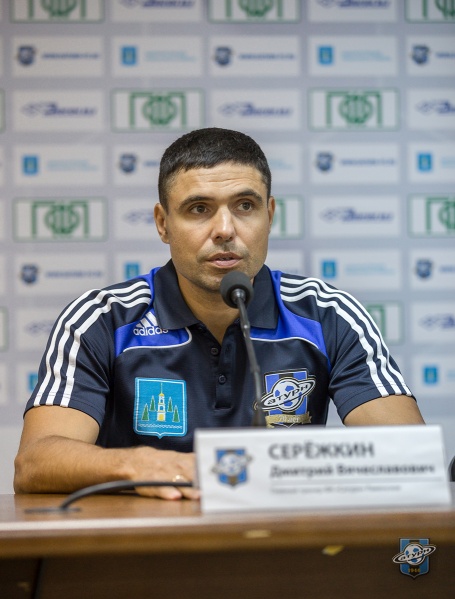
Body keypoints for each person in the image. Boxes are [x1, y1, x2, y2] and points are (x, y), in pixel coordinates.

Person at [14, 127, 425, 501]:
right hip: (144, 543)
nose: (225, 229)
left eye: (245, 206)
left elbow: (409, 456)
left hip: (284, 541)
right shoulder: (102, 319)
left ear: (270, 215)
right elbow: (35, 462)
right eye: (198, 209)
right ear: (163, 223)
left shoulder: (328, 314)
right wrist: (141, 464)